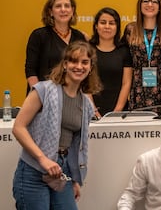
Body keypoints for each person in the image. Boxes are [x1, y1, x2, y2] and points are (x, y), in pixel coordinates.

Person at [12, 41, 101, 210]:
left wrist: (74, 180)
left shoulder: (86, 104)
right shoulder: (43, 90)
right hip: (33, 171)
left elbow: (77, 146)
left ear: (90, 67)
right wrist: (42, 159)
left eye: (84, 62)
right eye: (74, 61)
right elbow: (19, 127)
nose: (79, 67)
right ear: (65, 64)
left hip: (62, 171)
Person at [25, 0, 87, 94]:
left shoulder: (79, 37)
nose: (63, 10)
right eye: (58, 6)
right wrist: (39, 95)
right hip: (43, 97)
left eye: (67, 6)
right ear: (50, 12)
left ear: (72, 10)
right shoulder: (39, 35)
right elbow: (30, 70)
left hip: (71, 97)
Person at [125, 0, 161, 113]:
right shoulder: (130, 30)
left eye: (154, 1)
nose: (150, 4)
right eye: (145, 1)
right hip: (138, 88)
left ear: (160, 6)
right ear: (140, 5)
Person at [89, 7, 132, 116]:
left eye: (111, 23)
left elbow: (126, 83)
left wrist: (116, 112)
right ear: (96, 26)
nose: (107, 26)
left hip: (119, 112)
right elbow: (84, 83)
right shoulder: (87, 49)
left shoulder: (124, 50)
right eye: (103, 22)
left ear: (117, 27)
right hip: (91, 110)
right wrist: (93, 111)